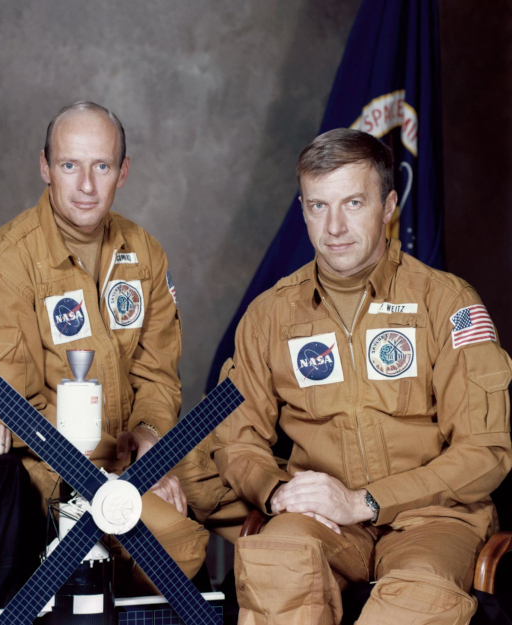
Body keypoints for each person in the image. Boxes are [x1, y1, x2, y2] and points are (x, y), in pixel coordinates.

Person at [210, 128, 512, 624]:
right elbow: (237, 444)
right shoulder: (268, 317)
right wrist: (274, 491)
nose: (334, 226)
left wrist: (366, 501)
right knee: (276, 558)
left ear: (388, 204)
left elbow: (485, 453)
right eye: (317, 206)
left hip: (432, 520)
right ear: (302, 209)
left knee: (416, 598)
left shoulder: (447, 303)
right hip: (322, 519)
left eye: (353, 202)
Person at [0, 101, 209, 595]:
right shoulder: (2, 267)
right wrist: (124, 479)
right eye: (70, 165)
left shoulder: (143, 252)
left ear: (124, 171)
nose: (87, 186)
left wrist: (152, 439)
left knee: (255, 496)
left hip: (137, 448)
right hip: (57, 468)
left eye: (102, 166)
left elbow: (157, 376)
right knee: (179, 545)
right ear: (45, 167)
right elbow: (10, 406)